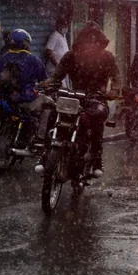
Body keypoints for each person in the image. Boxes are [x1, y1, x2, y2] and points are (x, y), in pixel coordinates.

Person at [45, 22, 120, 177]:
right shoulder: (70, 56)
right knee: (53, 114)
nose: (91, 44)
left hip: (97, 99)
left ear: (100, 42)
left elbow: (116, 78)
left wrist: (113, 90)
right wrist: (48, 84)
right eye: (87, 40)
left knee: (97, 120)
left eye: (94, 40)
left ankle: (97, 157)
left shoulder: (107, 58)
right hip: (74, 98)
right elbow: (57, 75)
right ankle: (46, 153)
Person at [0, 29, 51, 154]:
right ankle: (40, 138)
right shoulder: (33, 60)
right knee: (49, 105)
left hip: (6, 99)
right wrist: (46, 84)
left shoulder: (1, 59)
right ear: (26, 43)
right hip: (26, 100)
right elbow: (45, 81)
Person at [43, 14, 71, 78]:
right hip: (54, 69)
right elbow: (48, 51)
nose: (66, 28)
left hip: (61, 70)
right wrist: (57, 65)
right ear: (59, 26)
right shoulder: (54, 36)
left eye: (66, 26)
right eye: (64, 26)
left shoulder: (63, 35)